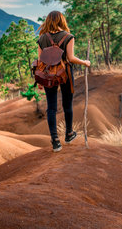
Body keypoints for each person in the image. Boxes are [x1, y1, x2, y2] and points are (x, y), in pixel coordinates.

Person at [37, 11, 90, 152]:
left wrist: (40, 81)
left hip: (48, 74)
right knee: (67, 104)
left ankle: (55, 141)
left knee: (51, 107)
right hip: (64, 73)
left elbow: (41, 61)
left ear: (48, 21)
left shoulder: (42, 38)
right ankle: (68, 134)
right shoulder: (68, 37)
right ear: (62, 21)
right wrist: (85, 62)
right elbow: (71, 58)